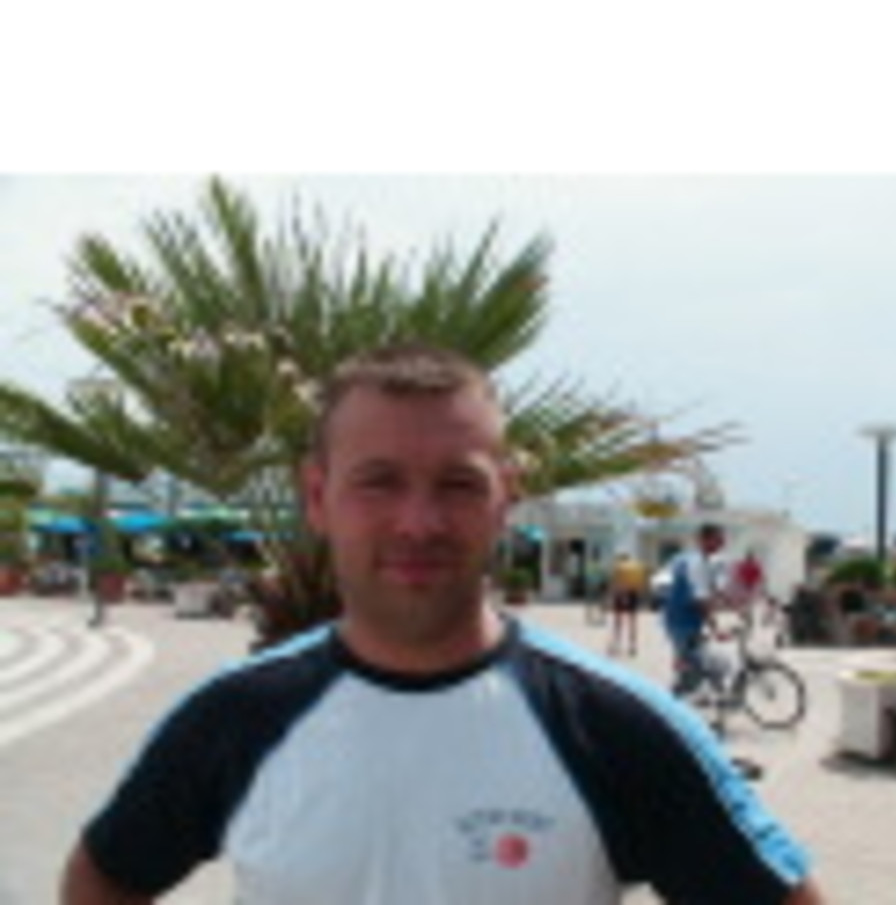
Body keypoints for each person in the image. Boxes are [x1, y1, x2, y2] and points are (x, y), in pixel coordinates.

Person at [61, 343, 826, 905]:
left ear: (505, 500)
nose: (419, 522)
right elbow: (104, 879)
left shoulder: (614, 727)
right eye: (379, 482)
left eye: (458, 484)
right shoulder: (233, 719)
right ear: (318, 498)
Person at [663, 522, 728, 692]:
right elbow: (700, 602)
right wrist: (716, 629)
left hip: (681, 622)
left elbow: (711, 589)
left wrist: (731, 603)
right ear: (704, 540)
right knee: (696, 672)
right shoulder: (695, 563)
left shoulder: (691, 559)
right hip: (683, 624)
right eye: (718, 540)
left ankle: (687, 695)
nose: (722, 544)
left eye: (722, 540)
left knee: (699, 668)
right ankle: (672, 702)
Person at [606, 549, 647, 655]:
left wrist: (610, 597)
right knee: (632, 622)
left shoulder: (618, 568)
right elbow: (641, 585)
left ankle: (617, 644)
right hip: (633, 594)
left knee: (618, 622)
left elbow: (614, 583)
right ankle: (632, 646)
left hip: (620, 594)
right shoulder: (635, 568)